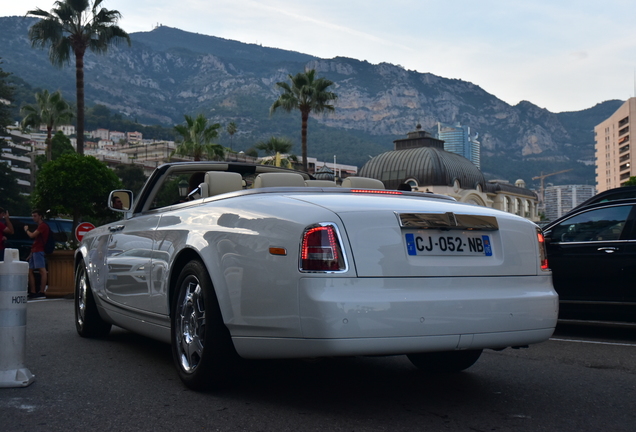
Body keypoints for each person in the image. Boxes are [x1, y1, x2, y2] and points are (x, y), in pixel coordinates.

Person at [24, 209, 50, 299]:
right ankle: (33, 291)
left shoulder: (42, 226)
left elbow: (32, 235)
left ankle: (41, 291)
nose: (33, 218)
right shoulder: (40, 226)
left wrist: (26, 230)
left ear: (40, 216)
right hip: (35, 250)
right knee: (30, 270)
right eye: (33, 216)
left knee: (42, 270)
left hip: (39, 250)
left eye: (35, 216)